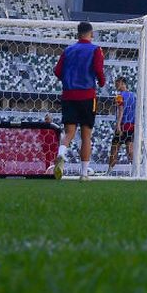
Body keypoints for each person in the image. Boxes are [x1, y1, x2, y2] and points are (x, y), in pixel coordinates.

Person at [53, 21, 105, 181]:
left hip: (69, 95)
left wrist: (68, 81)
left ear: (78, 34)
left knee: (68, 132)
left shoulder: (68, 50)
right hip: (87, 96)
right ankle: (83, 173)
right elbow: (98, 70)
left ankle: (61, 154)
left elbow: (57, 70)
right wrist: (102, 82)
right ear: (91, 33)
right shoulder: (95, 49)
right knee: (86, 136)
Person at [107, 76, 136, 173]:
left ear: (123, 83)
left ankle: (109, 171)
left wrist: (118, 125)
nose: (115, 85)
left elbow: (120, 110)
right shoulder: (134, 95)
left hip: (123, 125)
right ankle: (136, 170)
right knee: (130, 150)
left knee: (114, 148)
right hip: (132, 125)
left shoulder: (119, 96)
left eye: (117, 83)